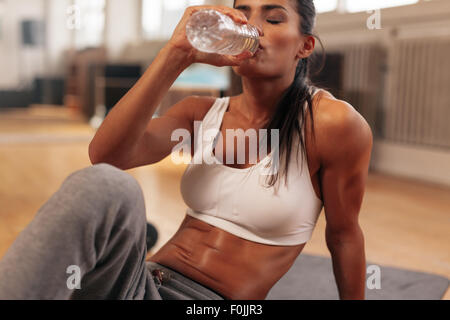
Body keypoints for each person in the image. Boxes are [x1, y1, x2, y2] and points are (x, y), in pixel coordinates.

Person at [0, 0, 373, 300]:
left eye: (274, 18)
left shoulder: (332, 124)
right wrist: (176, 53)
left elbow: (344, 234)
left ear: (304, 45)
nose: (253, 27)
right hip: (141, 285)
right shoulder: (200, 114)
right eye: (242, 14)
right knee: (109, 187)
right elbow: (108, 157)